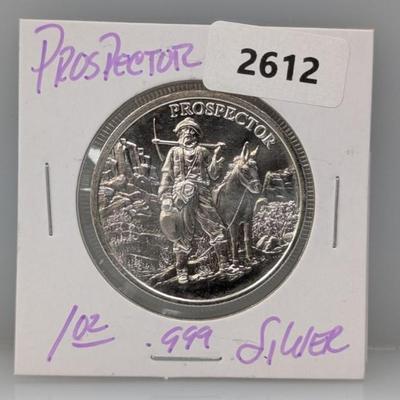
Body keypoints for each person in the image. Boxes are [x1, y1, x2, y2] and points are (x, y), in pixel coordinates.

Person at [158, 117, 231, 284]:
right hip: (181, 194)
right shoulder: (174, 152)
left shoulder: (203, 151)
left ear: (196, 135)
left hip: (202, 192)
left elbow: (213, 175)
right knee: (182, 233)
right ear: (179, 134)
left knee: (216, 227)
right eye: (184, 131)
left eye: (191, 132)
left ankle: (224, 265)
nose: (188, 134)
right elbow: (166, 175)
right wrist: (165, 196)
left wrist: (216, 156)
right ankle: (181, 270)